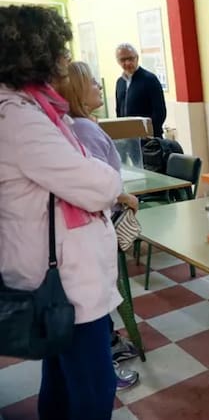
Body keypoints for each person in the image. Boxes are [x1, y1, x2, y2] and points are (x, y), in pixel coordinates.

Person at [0, 5, 122, 419]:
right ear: (35, 54)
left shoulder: (35, 108)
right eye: (60, 50)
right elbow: (100, 185)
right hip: (64, 280)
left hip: (57, 274)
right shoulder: (20, 118)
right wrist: (106, 177)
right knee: (94, 388)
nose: (66, 60)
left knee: (60, 377)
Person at [54, 61, 141, 391]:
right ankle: (107, 360)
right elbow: (96, 185)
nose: (99, 86)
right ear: (77, 90)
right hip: (89, 236)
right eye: (92, 82)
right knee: (94, 309)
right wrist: (121, 195)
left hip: (88, 234)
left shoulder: (78, 125)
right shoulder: (83, 129)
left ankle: (108, 347)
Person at [114, 43, 167, 138]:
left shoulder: (150, 79)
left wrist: (148, 133)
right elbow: (119, 110)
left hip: (149, 138)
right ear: (118, 61)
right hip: (128, 138)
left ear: (137, 58)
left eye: (131, 58)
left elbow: (160, 112)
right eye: (123, 60)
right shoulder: (120, 82)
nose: (127, 63)